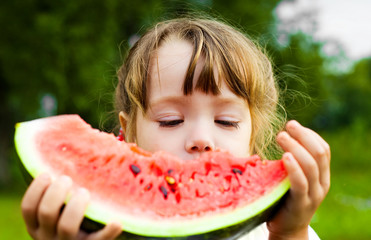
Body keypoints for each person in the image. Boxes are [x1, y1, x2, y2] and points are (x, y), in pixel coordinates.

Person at [21, 17, 330, 240]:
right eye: (171, 120)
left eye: (226, 121)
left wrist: (290, 233)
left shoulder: (272, 232)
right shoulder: (101, 229)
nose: (200, 139)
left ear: (253, 132)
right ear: (128, 133)